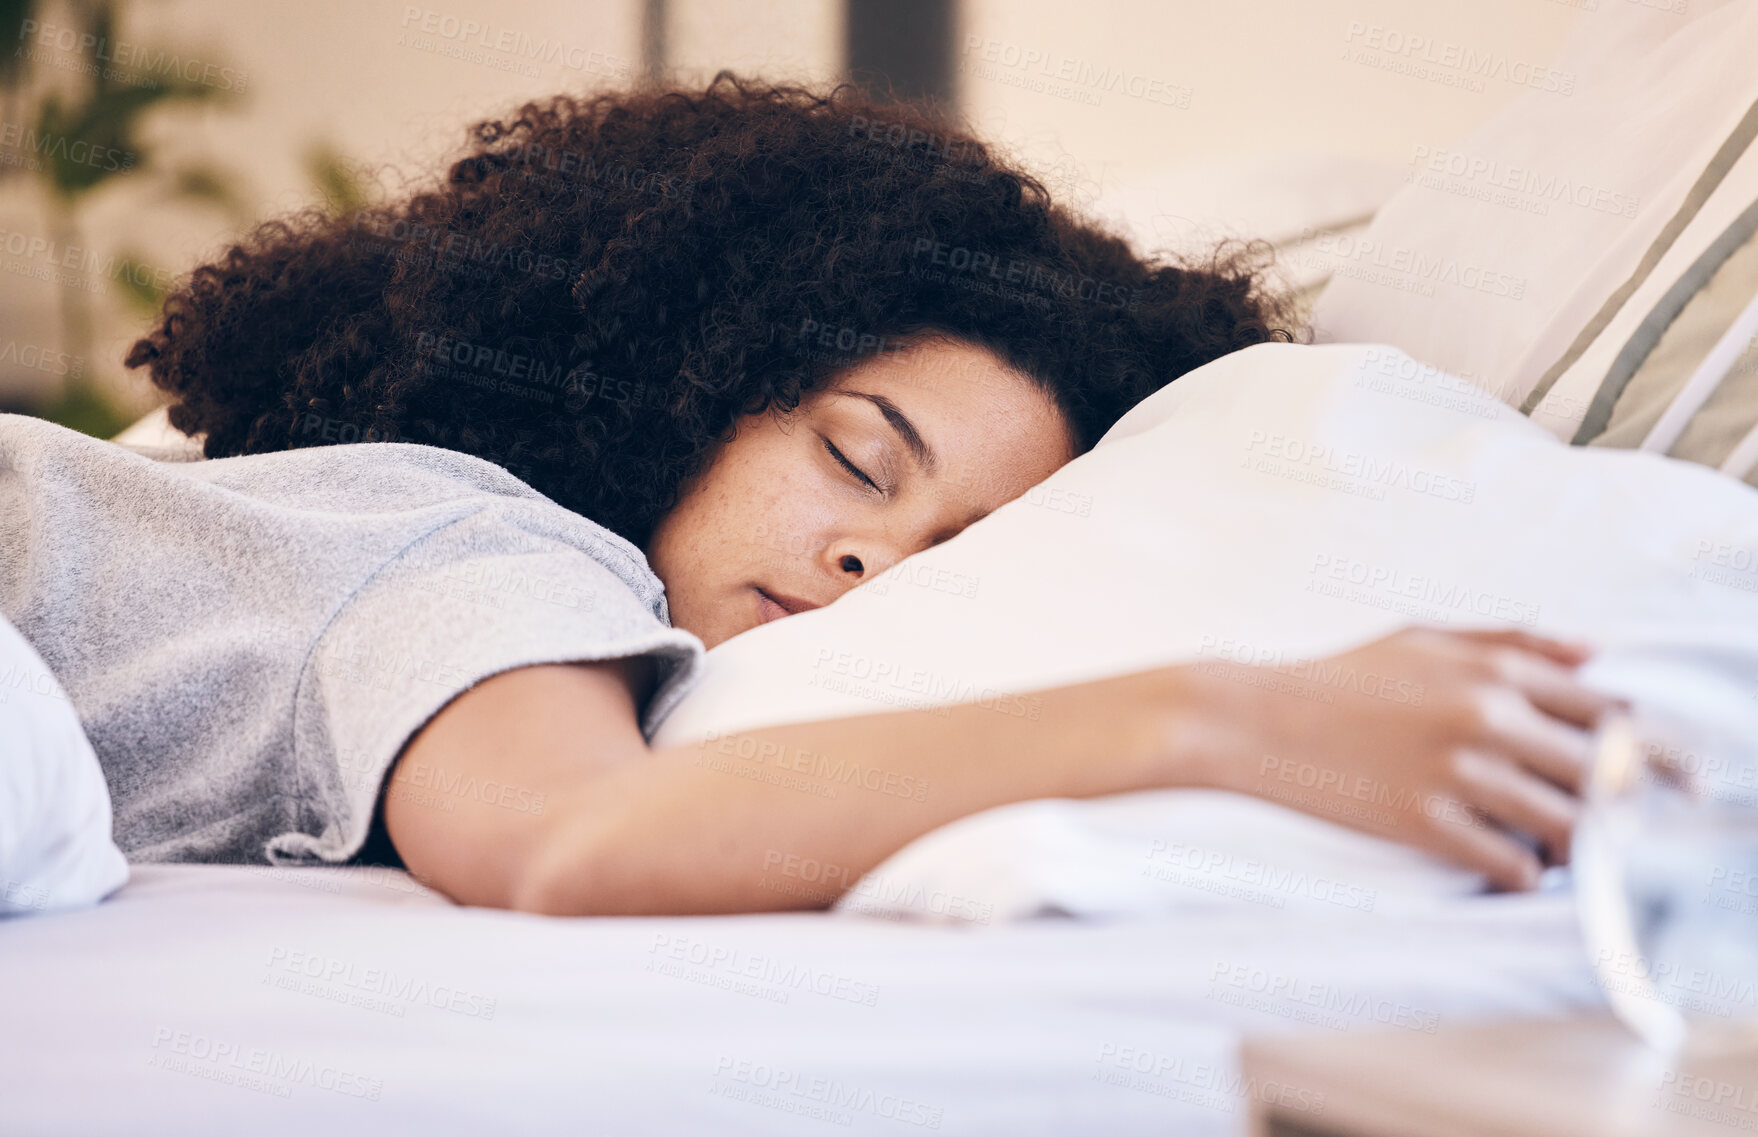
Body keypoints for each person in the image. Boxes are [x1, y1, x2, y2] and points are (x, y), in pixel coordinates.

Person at [0, 75, 1612, 917]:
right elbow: (565, 834)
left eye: (946, 557)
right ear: (676, 372)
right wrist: (1219, 724)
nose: (865, 555)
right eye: (856, 456)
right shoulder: (463, 536)